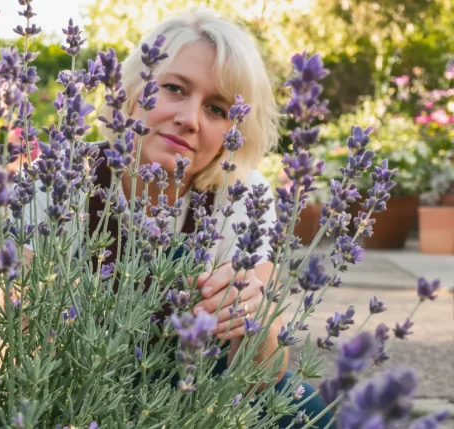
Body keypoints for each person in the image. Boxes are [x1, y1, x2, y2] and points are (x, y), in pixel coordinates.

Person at [19, 7, 330, 427]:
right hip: (74, 389)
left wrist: (254, 322)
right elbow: (14, 346)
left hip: (188, 390)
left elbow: (264, 379)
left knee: (305, 408)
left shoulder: (241, 193)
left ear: (234, 133)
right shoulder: (62, 176)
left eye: (218, 109)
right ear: (132, 90)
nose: (189, 118)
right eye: (174, 88)